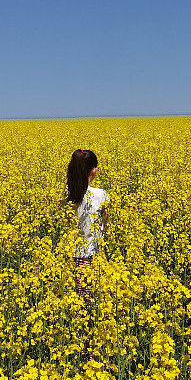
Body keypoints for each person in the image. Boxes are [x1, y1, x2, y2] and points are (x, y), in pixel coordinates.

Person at [64, 148, 108, 361]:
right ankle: (89, 357)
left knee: (76, 309)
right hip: (92, 258)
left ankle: (76, 352)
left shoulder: (68, 197)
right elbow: (104, 227)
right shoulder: (100, 195)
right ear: (93, 170)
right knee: (92, 309)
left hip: (70, 259)